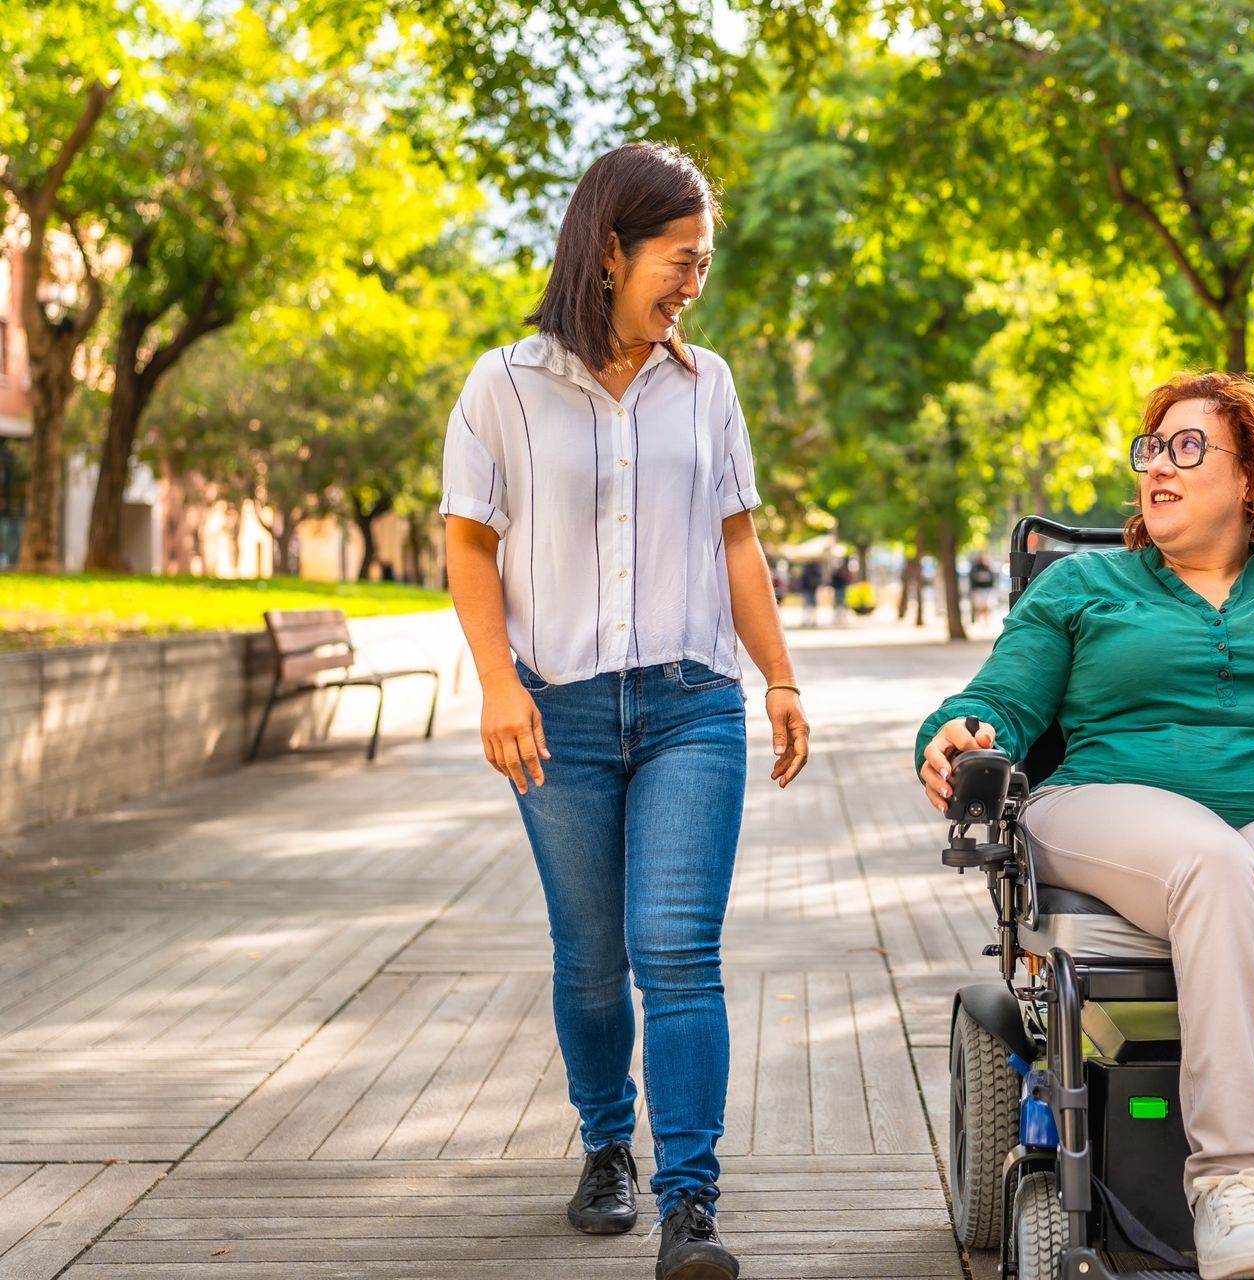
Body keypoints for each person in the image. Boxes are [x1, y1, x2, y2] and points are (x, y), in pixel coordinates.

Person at [915, 372, 1254, 1280]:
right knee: (1209, 861)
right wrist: (958, 735)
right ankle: (1229, 1181)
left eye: (1187, 447)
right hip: (1107, 811)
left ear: (1251, 477)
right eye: (1150, 447)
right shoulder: (1085, 585)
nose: (1157, 464)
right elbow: (998, 700)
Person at [440, 141, 810, 1280]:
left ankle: (690, 1201)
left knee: (678, 952)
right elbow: (466, 543)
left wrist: (781, 675)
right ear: (611, 249)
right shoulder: (502, 385)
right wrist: (498, 682)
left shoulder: (710, 386)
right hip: (559, 714)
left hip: (694, 703)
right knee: (592, 955)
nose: (695, 282)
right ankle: (608, 1142)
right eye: (680, 258)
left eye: (705, 263)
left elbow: (737, 539)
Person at [967, 555, 997, 623]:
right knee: (979, 607)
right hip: (978, 590)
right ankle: (979, 621)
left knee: (987, 607)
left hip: (987, 590)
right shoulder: (975, 569)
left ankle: (986, 621)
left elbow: (992, 579)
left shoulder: (988, 568)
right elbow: (972, 580)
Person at [797, 559, 823, 628]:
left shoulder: (815, 571)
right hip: (807, 590)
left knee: (812, 606)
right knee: (807, 606)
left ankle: (812, 620)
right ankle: (807, 620)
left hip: (812, 590)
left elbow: (819, 580)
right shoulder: (807, 572)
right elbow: (803, 581)